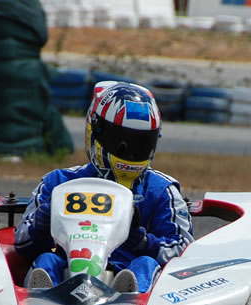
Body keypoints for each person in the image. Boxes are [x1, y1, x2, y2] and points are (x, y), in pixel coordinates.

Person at [14, 81, 194, 293]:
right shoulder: (58, 182)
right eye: (122, 143)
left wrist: (145, 243)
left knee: (146, 264)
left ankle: (129, 298)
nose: (131, 152)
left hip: (128, 276)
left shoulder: (161, 190)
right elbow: (21, 243)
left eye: (142, 144)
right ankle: (44, 298)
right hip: (67, 277)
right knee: (47, 259)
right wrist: (41, 223)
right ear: (95, 131)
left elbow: (183, 249)